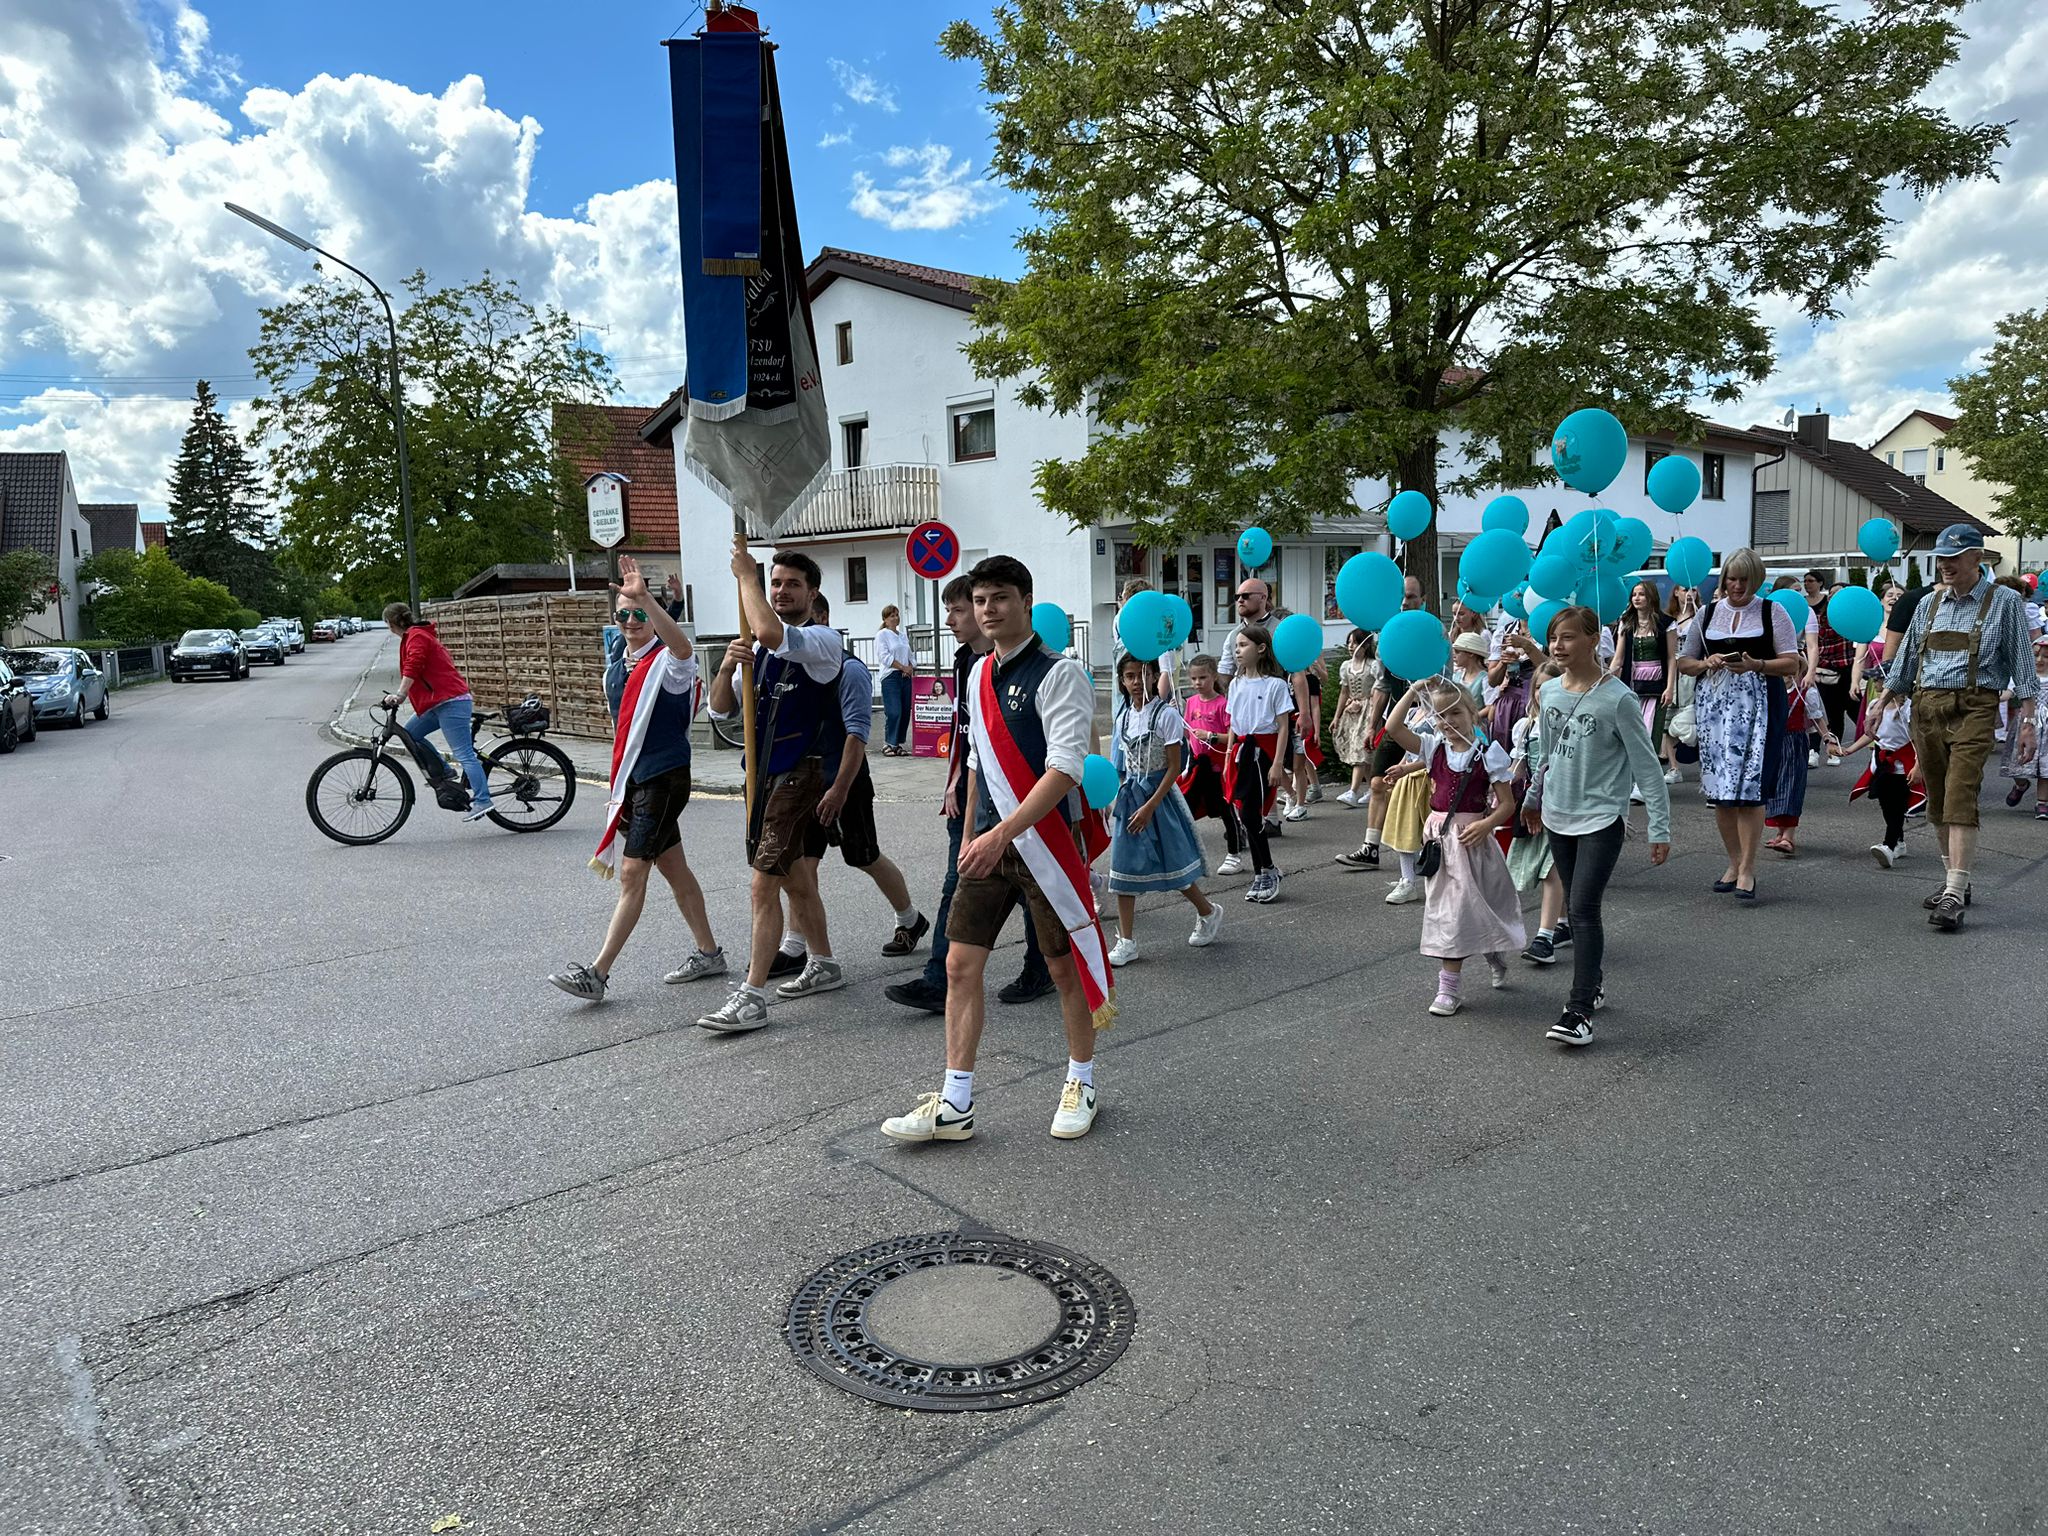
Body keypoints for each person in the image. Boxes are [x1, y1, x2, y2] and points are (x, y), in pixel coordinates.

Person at [881, 555, 1113, 1145]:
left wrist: (999, 834)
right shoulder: (978, 673)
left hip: (1045, 847)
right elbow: (979, 767)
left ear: (1026, 603)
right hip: (986, 845)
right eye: (981, 600)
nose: (988, 610)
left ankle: (1080, 1083)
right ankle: (956, 1102)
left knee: (1063, 970)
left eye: (1000, 598)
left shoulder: (1061, 675)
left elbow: (1065, 769)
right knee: (960, 966)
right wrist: (968, 841)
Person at [549, 556, 724, 1002]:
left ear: (653, 616)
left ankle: (597, 973)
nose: (631, 620)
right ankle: (709, 953)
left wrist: (649, 597)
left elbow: (683, 649)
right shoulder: (616, 664)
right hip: (633, 779)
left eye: (640, 613)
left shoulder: (669, 663)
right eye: (623, 613)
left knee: (632, 872)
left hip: (664, 777)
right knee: (674, 868)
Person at [697, 535, 849, 1032]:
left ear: (812, 592)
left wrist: (747, 577)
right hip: (761, 774)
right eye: (775, 582)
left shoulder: (823, 641)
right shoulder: (760, 648)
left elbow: (772, 632)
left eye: (792, 584)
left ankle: (752, 996)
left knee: (763, 884)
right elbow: (719, 708)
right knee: (794, 879)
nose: (782, 591)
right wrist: (726, 665)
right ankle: (823, 962)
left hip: (799, 771)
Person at [885, 576, 1050, 1016]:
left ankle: (1044, 966)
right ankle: (940, 980)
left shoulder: (1042, 669)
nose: (956, 619)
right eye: (972, 604)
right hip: (973, 799)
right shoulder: (967, 664)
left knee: (1034, 888)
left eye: (960, 609)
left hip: (1021, 802)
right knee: (956, 885)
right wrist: (955, 787)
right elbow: (968, 738)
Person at [1521, 606, 1671, 1046]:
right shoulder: (1548, 692)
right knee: (1574, 908)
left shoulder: (1619, 699)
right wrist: (1532, 800)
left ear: (1592, 641)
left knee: (1583, 909)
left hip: (1603, 817)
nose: (1558, 646)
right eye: (1554, 639)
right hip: (1557, 814)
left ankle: (1579, 1011)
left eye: (1568, 637)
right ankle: (1594, 983)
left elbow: (1648, 767)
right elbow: (1544, 757)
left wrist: (1659, 827)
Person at [1882, 523, 2040, 930]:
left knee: (1960, 791)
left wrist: (2027, 723)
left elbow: (2024, 664)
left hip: (1975, 706)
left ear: (1977, 559)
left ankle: (1954, 894)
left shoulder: (2004, 602)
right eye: (1942, 559)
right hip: (1928, 708)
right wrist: (1884, 699)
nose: (1946, 566)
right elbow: (1906, 663)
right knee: (1936, 794)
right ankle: (1953, 878)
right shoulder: (1929, 605)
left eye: (1954, 558)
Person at [773, 593, 929, 973]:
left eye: (805, 626)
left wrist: (839, 788)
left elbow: (857, 735)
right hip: (803, 781)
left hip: (844, 780)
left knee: (864, 856)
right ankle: (795, 947)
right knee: (801, 867)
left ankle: (910, 919)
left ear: (823, 618)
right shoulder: (793, 668)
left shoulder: (850, 670)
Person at [1382, 677, 1523, 1017]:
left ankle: (1491, 951)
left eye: (1455, 712)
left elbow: (1506, 804)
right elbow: (1393, 727)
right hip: (1441, 840)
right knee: (1450, 911)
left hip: (1472, 838)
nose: (1448, 721)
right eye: (1441, 715)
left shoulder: (1489, 753)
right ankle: (1449, 988)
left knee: (1473, 907)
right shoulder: (1434, 748)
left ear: (1472, 712)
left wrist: (1486, 824)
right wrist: (1416, 691)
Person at [1677, 548, 1802, 902]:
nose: (1736, 586)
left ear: (1756, 580)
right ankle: (1733, 863)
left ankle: (1748, 867)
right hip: (1715, 711)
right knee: (1721, 794)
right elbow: (1685, 661)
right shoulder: (1708, 612)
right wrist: (1707, 663)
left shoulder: (1771, 611)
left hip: (1759, 707)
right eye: (1731, 578)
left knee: (1750, 790)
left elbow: (1791, 663)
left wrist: (1757, 665)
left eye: (1744, 579)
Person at [1106, 656, 1221, 964]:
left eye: (1141, 675)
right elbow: (1124, 765)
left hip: (1159, 797)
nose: (1135, 682)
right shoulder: (1123, 718)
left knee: (1175, 867)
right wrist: (1114, 799)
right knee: (1122, 867)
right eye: (1128, 676)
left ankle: (1207, 911)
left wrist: (1151, 806)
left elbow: (1172, 768)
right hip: (1131, 797)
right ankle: (1127, 941)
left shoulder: (1166, 715)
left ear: (1155, 676)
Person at [380, 601, 494, 821]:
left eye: (387, 624)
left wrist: (400, 695)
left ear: (392, 623)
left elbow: (415, 664)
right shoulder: (412, 636)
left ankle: (483, 800)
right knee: (411, 735)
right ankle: (444, 770)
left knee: (464, 753)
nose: (389, 628)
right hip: (436, 703)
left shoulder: (416, 636)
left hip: (451, 701)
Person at [1222, 624, 1293, 902]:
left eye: (1243, 645)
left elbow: (1284, 727)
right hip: (1241, 752)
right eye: (1236, 646)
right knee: (1244, 814)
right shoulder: (1236, 684)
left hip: (1262, 752)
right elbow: (1232, 724)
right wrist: (1229, 755)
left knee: (1253, 814)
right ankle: (1265, 870)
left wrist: (1277, 764)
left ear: (1261, 649)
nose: (1237, 651)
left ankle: (1264, 870)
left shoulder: (1275, 685)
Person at [1507, 660, 1570, 965]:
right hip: (1534, 803)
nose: (1541, 695)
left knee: (1551, 870)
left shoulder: (1569, 722)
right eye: (1537, 689)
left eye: (1549, 689)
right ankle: (1564, 924)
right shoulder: (1526, 725)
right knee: (1551, 870)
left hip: (1563, 803)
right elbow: (1520, 766)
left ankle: (1544, 938)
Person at [1177, 653, 1246, 874]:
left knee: (1226, 811)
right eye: (1194, 678)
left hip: (1218, 769)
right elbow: (1188, 736)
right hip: (1198, 767)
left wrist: (1211, 736)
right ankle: (1186, 854)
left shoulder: (1223, 704)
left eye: (1203, 678)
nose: (1198, 683)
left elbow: (1233, 736)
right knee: (1186, 810)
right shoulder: (1191, 703)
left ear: (1214, 676)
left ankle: (1234, 853)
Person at [1612, 578, 1678, 780]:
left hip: (1657, 684)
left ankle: (1646, 782)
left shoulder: (1666, 623)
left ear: (1651, 597)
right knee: (1630, 731)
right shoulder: (1627, 622)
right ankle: (1631, 780)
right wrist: (1607, 677)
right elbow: (1619, 657)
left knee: (1650, 732)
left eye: (1641, 594)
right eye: (1634, 594)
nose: (1637, 598)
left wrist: (1670, 688)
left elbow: (1671, 658)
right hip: (1631, 683)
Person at [1843, 691, 1918, 866]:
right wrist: (1850, 750)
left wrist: (1918, 766)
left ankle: (1889, 846)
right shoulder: (1875, 705)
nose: (1876, 685)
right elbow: (1869, 734)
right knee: (1885, 805)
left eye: (1880, 681)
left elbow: (1919, 740)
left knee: (1897, 807)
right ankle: (1898, 841)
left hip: (1902, 766)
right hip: (1881, 764)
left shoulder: (1908, 709)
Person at [1765, 680, 1834, 857]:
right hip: (1773, 743)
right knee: (1774, 787)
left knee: (1791, 786)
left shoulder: (1805, 693)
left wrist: (1827, 739)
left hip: (1794, 743)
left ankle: (1789, 836)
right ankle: (1780, 833)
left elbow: (1817, 719)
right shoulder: (1771, 687)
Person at [1804, 569, 1857, 753]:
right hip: (1826, 670)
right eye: (1832, 593)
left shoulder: (1853, 616)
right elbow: (1816, 643)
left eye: (1839, 593)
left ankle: (1845, 745)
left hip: (1848, 669)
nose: (1833, 596)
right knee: (1827, 711)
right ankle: (1821, 749)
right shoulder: (1822, 617)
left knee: (1851, 709)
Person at [2001, 637, 2048, 818]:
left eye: (2046, 656)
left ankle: (2042, 802)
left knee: (2046, 767)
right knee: (2018, 763)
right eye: (2035, 655)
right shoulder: (2025, 677)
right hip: (2026, 726)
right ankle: (2021, 784)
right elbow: (2009, 692)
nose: (2040, 660)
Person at [1332, 629, 1378, 805]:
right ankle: (1373, 789)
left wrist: (1370, 706)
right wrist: (1337, 716)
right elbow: (1344, 692)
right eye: (1349, 643)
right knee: (1360, 751)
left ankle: (1353, 791)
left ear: (1365, 646)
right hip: (1352, 710)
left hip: (1368, 710)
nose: (1351, 647)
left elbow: (1378, 691)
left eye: (1355, 643)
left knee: (1361, 749)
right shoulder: (1346, 666)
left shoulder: (1372, 665)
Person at [875, 605, 914, 756]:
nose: (895, 618)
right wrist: (902, 667)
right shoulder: (882, 635)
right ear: (885, 619)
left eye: (897, 615)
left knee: (905, 711)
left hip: (905, 676)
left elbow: (910, 655)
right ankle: (888, 743)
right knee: (894, 711)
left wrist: (909, 667)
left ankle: (897, 743)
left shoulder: (902, 636)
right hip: (891, 676)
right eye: (892, 616)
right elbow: (884, 657)